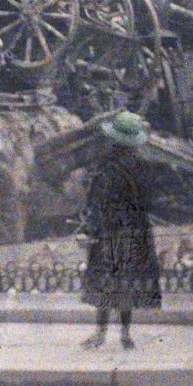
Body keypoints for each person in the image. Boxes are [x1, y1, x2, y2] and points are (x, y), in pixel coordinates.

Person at [78, 110, 162, 350]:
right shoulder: (143, 167)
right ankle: (126, 334)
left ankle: (100, 333)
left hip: (110, 233)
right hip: (136, 232)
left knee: (106, 284)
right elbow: (152, 201)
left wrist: (90, 229)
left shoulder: (106, 170)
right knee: (128, 284)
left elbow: (96, 204)